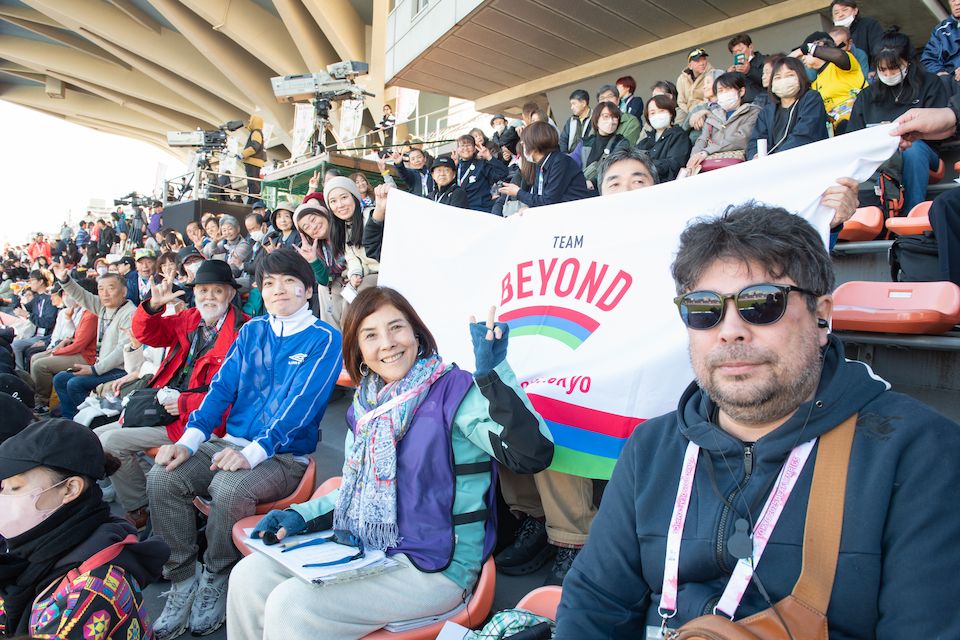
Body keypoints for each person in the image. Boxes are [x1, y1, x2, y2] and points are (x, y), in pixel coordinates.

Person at [554, 202, 960, 638]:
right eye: (705, 308)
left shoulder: (919, 452)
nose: (730, 330)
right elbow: (595, 604)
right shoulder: (650, 447)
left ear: (822, 315)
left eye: (761, 303)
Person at [226, 288, 554, 640]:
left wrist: (493, 374)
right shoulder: (365, 406)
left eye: (396, 328)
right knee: (249, 576)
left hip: (434, 568)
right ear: (359, 352)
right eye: (371, 335)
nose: (388, 343)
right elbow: (356, 491)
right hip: (369, 549)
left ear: (416, 333)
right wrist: (300, 516)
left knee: (292, 606)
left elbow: (531, 454)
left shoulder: (456, 390)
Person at [146, 249, 342, 640]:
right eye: (269, 283)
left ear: (307, 289)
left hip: (284, 456)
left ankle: (218, 574)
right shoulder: (251, 332)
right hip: (226, 443)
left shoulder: (325, 338)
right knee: (162, 476)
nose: (278, 290)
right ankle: (184, 579)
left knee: (228, 486)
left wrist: (252, 452)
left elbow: (300, 407)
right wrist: (189, 440)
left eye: (289, 281)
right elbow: (220, 390)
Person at [95, 260, 245, 531]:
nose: (208, 297)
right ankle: (147, 499)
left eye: (217, 291)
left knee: (111, 442)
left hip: (196, 420)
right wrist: (153, 307)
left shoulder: (243, 332)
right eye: (202, 290)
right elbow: (148, 334)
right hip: (163, 405)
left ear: (231, 294)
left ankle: (140, 508)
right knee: (95, 435)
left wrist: (184, 403)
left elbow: (238, 396)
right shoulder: (190, 319)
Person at [0, 419, 169, 638]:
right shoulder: (41, 543)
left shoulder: (88, 592)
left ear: (70, 489)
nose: (3, 497)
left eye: (15, 487)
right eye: (2, 486)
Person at [849, 28, 949, 213]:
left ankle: (912, 213)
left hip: (921, 149)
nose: (888, 74)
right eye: (882, 69)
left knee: (914, 150)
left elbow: (941, 129)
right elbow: (853, 135)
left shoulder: (930, 83)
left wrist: (903, 132)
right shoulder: (866, 95)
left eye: (894, 68)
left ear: (908, 62)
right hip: (878, 154)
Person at [49, 263, 135, 420]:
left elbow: (121, 351)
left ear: (124, 291)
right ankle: (71, 419)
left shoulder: (130, 313)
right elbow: (81, 295)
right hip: (103, 367)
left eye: (110, 288)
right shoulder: (102, 306)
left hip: (120, 370)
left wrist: (95, 370)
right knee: (60, 379)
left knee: (75, 384)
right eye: (101, 289)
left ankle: (92, 421)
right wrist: (64, 279)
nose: (105, 294)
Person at [30, 280, 99, 414]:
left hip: (86, 357)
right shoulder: (84, 311)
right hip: (77, 350)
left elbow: (79, 345)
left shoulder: (91, 314)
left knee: (40, 365)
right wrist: (58, 348)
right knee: (35, 358)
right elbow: (74, 337)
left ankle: (42, 402)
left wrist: (57, 352)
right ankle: (39, 399)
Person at [747, 56, 828, 159]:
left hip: (806, 159)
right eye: (777, 77)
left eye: (789, 75)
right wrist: (755, 156)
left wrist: (776, 158)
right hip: (772, 166)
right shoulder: (767, 111)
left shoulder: (811, 99)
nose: (783, 80)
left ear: (800, 77)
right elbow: (755, 141)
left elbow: (804, 135)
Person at [497, 122, 592, 207]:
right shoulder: (541, 164)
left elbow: (549, 200)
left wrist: (518, 193)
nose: (523, 148)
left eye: (524, 144)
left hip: (576, 212)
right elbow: (539, 196)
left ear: (534, 143)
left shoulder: (560, 162)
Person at [685, 72, 761, 174]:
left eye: (728, 89)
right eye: (720, 91)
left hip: (738, 167)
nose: (724, 94)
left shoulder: (752, 112)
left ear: (741, 91)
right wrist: (694, 158)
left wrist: (707, 151)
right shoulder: (713, 116)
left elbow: (741, 139)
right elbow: (702, 139)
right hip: (710, 167)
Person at [798, 31, 865, 132]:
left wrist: (811, 48)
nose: (803, 58)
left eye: (805, 54)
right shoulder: (814, 84)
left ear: (820, 46)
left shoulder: (843, 64)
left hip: (859, 120)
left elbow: (839, 56)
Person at [324, 176, 380, 285]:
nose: (340, 205)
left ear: (354, 197)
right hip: (368, 273)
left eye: (344, 197)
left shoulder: (370, 216)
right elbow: (352, 258)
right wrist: (355, 274)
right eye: (333, 201)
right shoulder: (342, 227)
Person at [573, 101, 631, 189]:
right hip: (582, 188)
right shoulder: (586, 142)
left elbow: (615, 168)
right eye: (606, 117)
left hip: (607, 188)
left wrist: (593, 182)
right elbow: (571, 163)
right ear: (596, 119)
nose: (611, 121)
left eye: (615, 117)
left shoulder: (621, 142)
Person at [637, 95, 692, 182]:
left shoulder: (679, 136)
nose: (657, 115)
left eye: (661, 111)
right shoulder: (644, 142)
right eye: (652, 113)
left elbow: (674, 165)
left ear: (670, 113)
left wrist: (646, 166)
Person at [10, 270, 56, 369]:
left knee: (16, 345)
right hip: (34, 334)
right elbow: (18, 310)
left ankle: (21, 374)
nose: (29, 282)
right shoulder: (38, 298)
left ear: (41, 282)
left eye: (32, 280)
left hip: (45, 336)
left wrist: (28, 315)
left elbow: (49, 323)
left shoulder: (50, 298)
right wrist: (15, 295)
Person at [451, 135, 509, 213]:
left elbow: (502, 174)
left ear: (475, 149)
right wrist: (453, 165)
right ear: (457, 150)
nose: (465, 148)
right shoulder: (455, 167)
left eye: (469, 145)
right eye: (462, 146)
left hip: (481, 210)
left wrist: (489, 157)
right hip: (460, 211)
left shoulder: (482, 164)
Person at [831, 0, 884, 74]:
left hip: (870, 74)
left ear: (855, 10)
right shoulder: (830, 35)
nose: (840, 15)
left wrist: (873, 69)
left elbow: (879, 48)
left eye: (845, 10)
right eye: (836, 13)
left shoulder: (868, 24)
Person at [921, 0, 960, 94]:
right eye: (953, 0)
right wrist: (940, 72)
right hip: (951, 82)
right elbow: (928, 60)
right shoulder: (941, 30)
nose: (957, 3)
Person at [677, 48, 715, 119]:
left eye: (704, 59)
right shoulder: (682, 78)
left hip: (706, 111)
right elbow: (681, 102)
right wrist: (691, 114)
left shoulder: (712, 74)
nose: (702, 63)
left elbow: (710, 99)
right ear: (690, 65)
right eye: (697, 61)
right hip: (687, 113)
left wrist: (698, 114)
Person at [728, 33, 766, 102]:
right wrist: (729, 76)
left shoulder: (765, 61)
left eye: (740, 50)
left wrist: (749, 71)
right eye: (735, 52)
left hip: (762, 103)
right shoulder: (735, 69)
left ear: (750, 47)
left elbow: (769, 81)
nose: (738, 54)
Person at [240, 114, 266, 200]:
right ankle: (253, 200)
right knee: (254, 184)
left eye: (251, 120)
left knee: (253, 184)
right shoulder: (258, 132)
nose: (249, 122)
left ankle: (253, 201)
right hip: (256, 162)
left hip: (252, 161)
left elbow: (255, 146)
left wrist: (243, 154)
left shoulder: (256, 132)